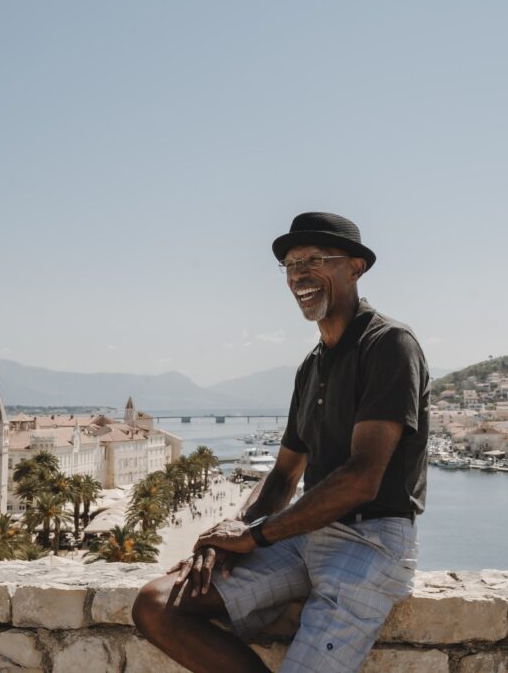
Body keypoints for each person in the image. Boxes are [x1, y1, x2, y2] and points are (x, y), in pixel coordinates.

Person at [132, 212, 430, 672]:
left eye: (314, 260)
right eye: (291, 265)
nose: (299, 275)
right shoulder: (311, 367)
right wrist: (227, 535)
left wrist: (256, 535)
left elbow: (362, 478)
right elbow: (284, 475)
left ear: (355, 268)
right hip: (305, 536)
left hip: (371, 540)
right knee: (157, 605)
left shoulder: (388, 345)